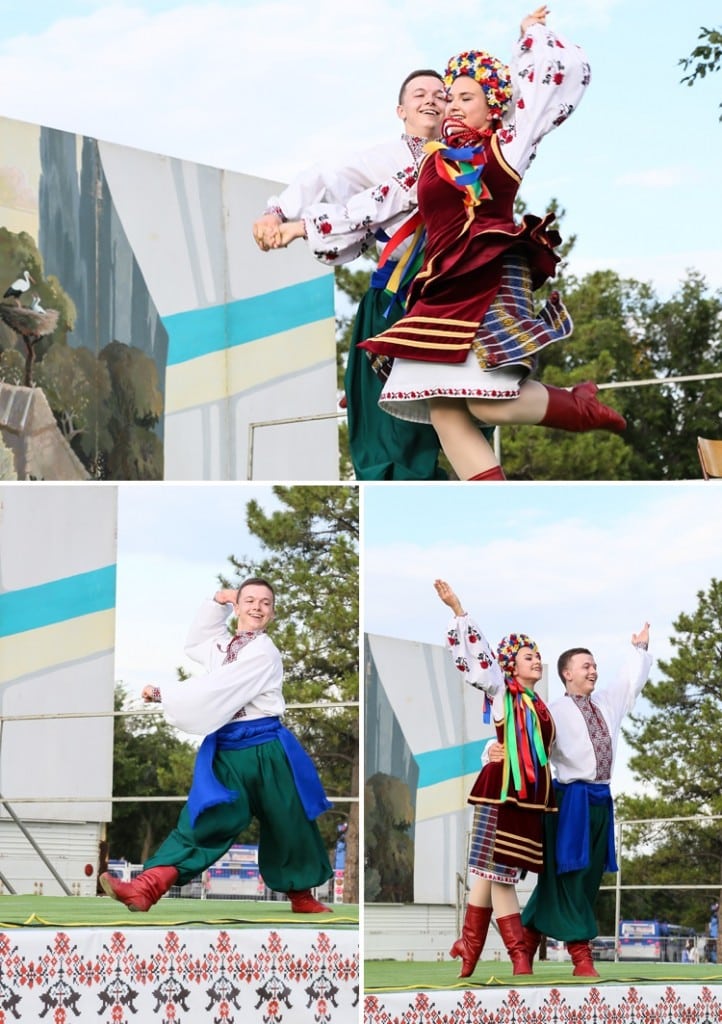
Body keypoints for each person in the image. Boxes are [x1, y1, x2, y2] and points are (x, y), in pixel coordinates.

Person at [359, 6, 626, 480]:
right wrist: (296, 224)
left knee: (491, 406)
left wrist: (531, 33)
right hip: (440, 286)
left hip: (487, 275)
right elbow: (372, 203)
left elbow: (544, 83)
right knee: (441, 408)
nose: (451, 105)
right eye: (448, 98)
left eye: (466, 96)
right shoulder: (429, 161)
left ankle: (581, 407)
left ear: (495, 106)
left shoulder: (507, 143)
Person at [252, 70, 452, 481]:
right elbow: (324, 176)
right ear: (401, 110)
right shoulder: (382, 162)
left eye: (441, 94)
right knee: (391, 427)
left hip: (460, 292)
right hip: (402, 296)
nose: (431, 100)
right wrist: (279, 213)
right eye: (420, 94)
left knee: (469, 406)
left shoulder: (470, 156)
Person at [100, 578, 334, 914]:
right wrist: (218, 599)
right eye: (249, 600)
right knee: (206, 818)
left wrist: (166, 694)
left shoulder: (264, 652)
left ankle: (302, 896)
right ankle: (146, 887)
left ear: (273, 612)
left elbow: (217, 688)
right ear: (237, 607)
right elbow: (198, 638)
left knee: (289, 820)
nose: (257, 607)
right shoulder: (223, 647)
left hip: (266, 747)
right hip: (228, 750)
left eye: (265, 603)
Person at [434, 578, 556, 976]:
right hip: (501, 791)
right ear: (509, 666)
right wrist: (458, 610)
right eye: (527, 657)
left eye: (537, 656)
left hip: (529, 795)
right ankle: (519, 954)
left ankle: (468, 946)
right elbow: (480, 659)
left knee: (487, 872)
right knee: (498, 872)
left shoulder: (539, 704)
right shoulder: (503, 693)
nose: (536, 660)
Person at [519, 625, 652, 976]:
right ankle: (581, 955)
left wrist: (639, 650)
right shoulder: (551, 711)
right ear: (567, 673)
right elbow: (530, 748)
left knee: (588, 877)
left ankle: (526, 941)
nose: (593, 670)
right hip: (568, 803)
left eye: (594, 666)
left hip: (601, 801)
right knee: (570, 876)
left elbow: (629, 682)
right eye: (585, 666)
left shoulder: (607, 703)